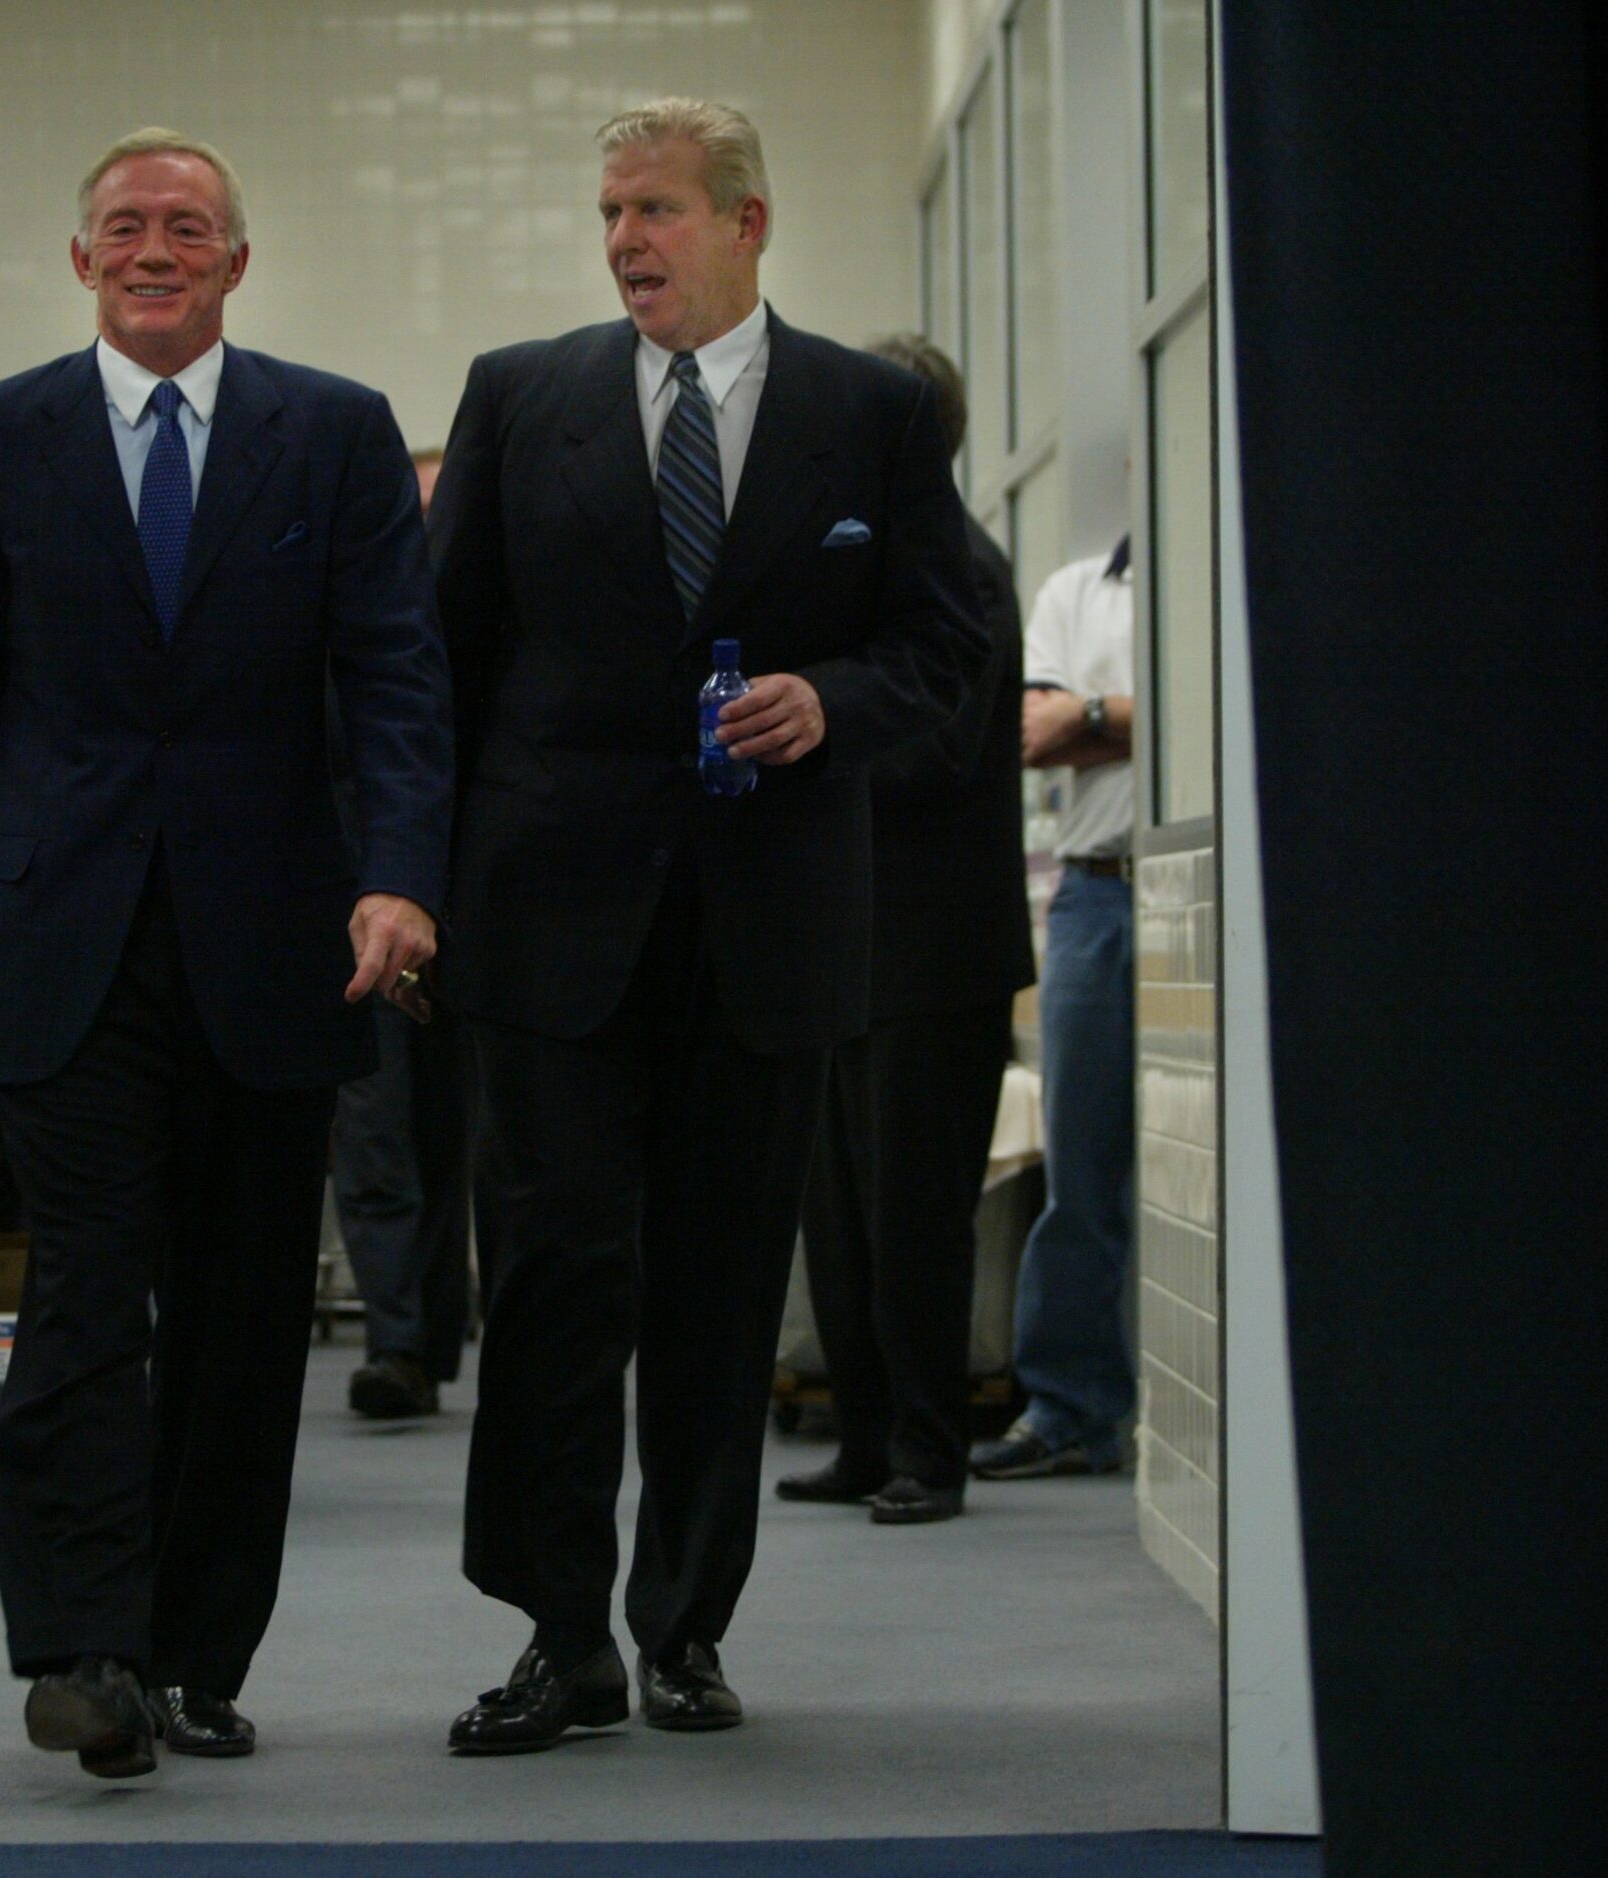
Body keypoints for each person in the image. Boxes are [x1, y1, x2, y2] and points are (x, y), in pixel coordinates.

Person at [0, 128, 451, 1781]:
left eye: (184, 227)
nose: (152, 247)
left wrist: (400, 876)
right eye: (123, 225)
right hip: (61, 938)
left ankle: (197, 1655)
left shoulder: (330, 435)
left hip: (275, 948)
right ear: (79, 260)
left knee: (238, 1316)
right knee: (78, 1290)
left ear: (234, 262)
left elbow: (397, 679)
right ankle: (79, 1647)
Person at [429, 98, 985, 1753]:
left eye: (655, 210)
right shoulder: (518, 398)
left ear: (746, 221)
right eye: (608, 212)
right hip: (546, 923)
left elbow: (942, 647)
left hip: (766, 926)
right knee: (548, 1282)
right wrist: (408, 879)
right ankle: (553, 1636)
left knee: (718, 1292)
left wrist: (837, 699)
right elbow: (438, 663)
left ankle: (679, 1628)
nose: (623, 243)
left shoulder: (868, 413)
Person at [776, 335, 1034, 1526]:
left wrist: (814, 728)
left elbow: (927, 755)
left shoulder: (960, 581)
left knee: (915, 1212)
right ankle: (867, 1432)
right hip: (848, 942)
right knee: (837, 1210)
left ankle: (930, 1448)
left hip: (935, 953)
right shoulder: (870, 579)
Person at [969, 539, 1137, 1480]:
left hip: (1205, 886)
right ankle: (1069, 1409)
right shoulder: (1077, 587)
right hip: (1095, 895)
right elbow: (1033, 734)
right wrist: (1137, 716)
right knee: (1079, 1172)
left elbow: (1215, 720)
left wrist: (1097, 717)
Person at [332, 446, 475, 1419]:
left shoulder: (487, 636)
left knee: (450, 1137)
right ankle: (397, 1344)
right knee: (374, 1135)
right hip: (366, 917)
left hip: (474, 922)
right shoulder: (349, 637)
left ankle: (434, 1334)